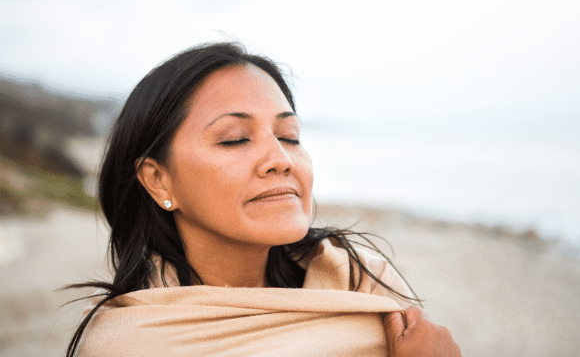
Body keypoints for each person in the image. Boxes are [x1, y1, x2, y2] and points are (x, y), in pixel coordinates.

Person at [66, 42, 461, 356]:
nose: (281, 159)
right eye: (235, 138)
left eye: (289, 136)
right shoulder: (130, 345)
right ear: (158, 180)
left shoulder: (364, 282)